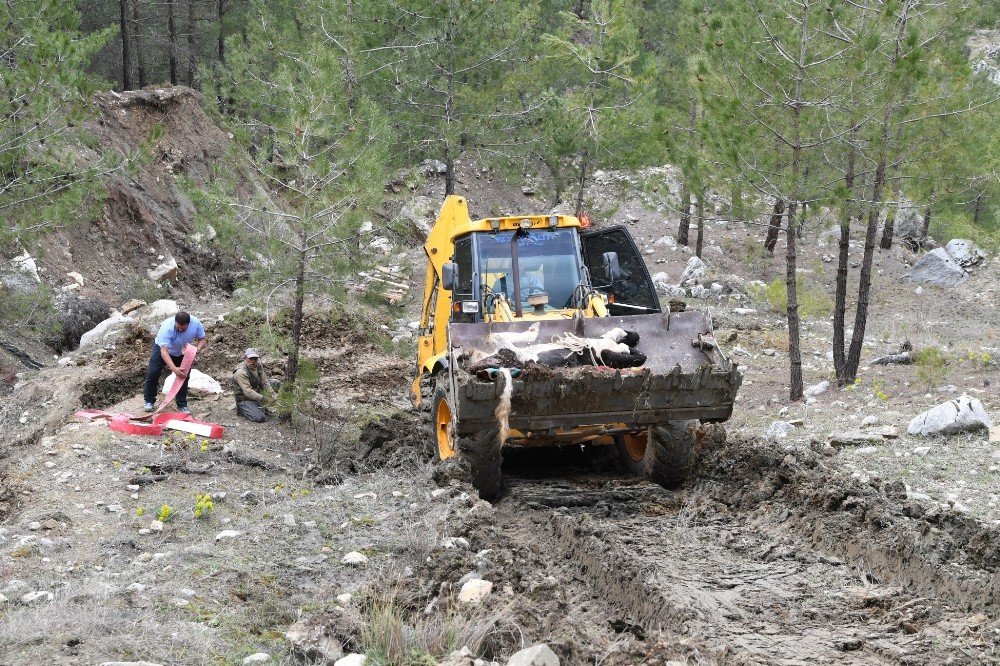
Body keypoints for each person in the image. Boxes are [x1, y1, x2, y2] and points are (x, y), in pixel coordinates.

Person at [143, 311, 207, 413]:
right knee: (153, 372)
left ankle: (182, 405)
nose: (180, 329)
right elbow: (164, 352)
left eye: (183, 328)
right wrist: (173, 368)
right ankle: (149, 401)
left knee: (183, 375)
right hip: (162, 349)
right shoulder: (167, 327)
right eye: (178, 327)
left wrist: (195, 350)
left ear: (188, 324)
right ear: (175, 322)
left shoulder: (196, 324)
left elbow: (202, 339)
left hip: (182, 351)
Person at [233, 348, 279, 422]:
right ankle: (242, 409)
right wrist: (266, 399)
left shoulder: (258, 365)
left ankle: (259, 404)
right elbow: (248, 392)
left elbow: (265, 382)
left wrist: (273, 394)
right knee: (260, 417)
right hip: (245, 398)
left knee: (275, 383)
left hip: (256, 391)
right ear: (246, 357)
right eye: (250, 358)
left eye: (255, 358)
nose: (253, 361)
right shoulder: (240, 372)